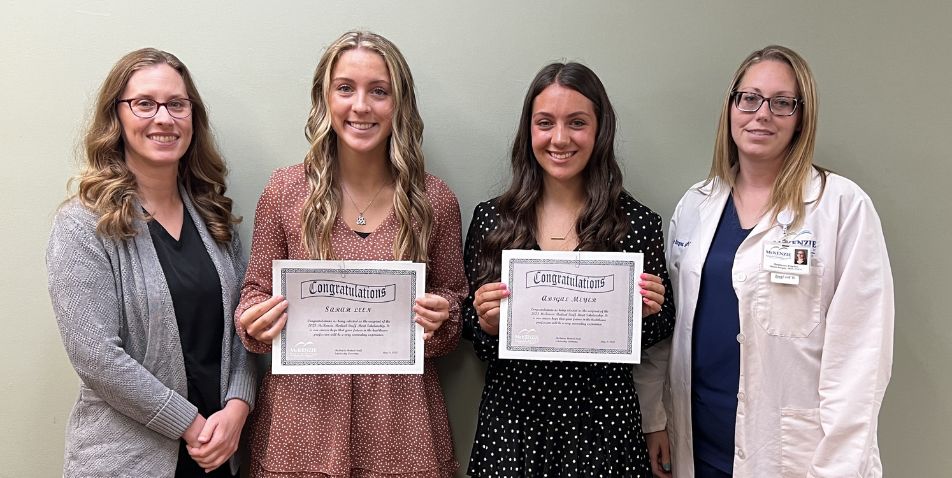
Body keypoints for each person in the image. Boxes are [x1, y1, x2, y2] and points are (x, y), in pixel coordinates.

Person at [650, 45, 894, 477]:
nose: (762, 114)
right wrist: (657, 419)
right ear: (731, 108)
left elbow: (862, 357)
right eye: (750, 98)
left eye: (782, 103)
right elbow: (671, 327)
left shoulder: (840, 207)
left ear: (802, 118)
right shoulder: (695, 205)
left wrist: (838, 467)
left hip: (794, 456)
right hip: (699, 444)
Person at [235, 31, 468, 478]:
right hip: (301, 424)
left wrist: (443, 316)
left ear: (400, 103)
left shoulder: (433, 200)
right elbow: (254, 292)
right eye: (346, 88)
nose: (361, 106)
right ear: (325, 99)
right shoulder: (284, 192)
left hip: (402, 427)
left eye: (378, 91)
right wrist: (255, 320)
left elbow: (453, 307)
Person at [46, 48, 256, 477]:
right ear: (116, 117)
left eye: (177, 104)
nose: (164, 118)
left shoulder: (216, 221)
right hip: (126, 461)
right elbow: (97, 356)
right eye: (144, 103)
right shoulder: (82, 225)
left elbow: (244, 328)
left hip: (218, 456)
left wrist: (238, 405)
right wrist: (189, 424)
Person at [462, 62, 675, 477]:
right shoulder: (492, 221)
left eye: (577, 122)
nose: (560, 138)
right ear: (529, 132)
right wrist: (484, 322)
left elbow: (659, 330)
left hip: (604, 426)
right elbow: (477, 340)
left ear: (600, 131)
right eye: (545, 123)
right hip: (513, 426)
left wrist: (650, 310)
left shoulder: (637, 223)